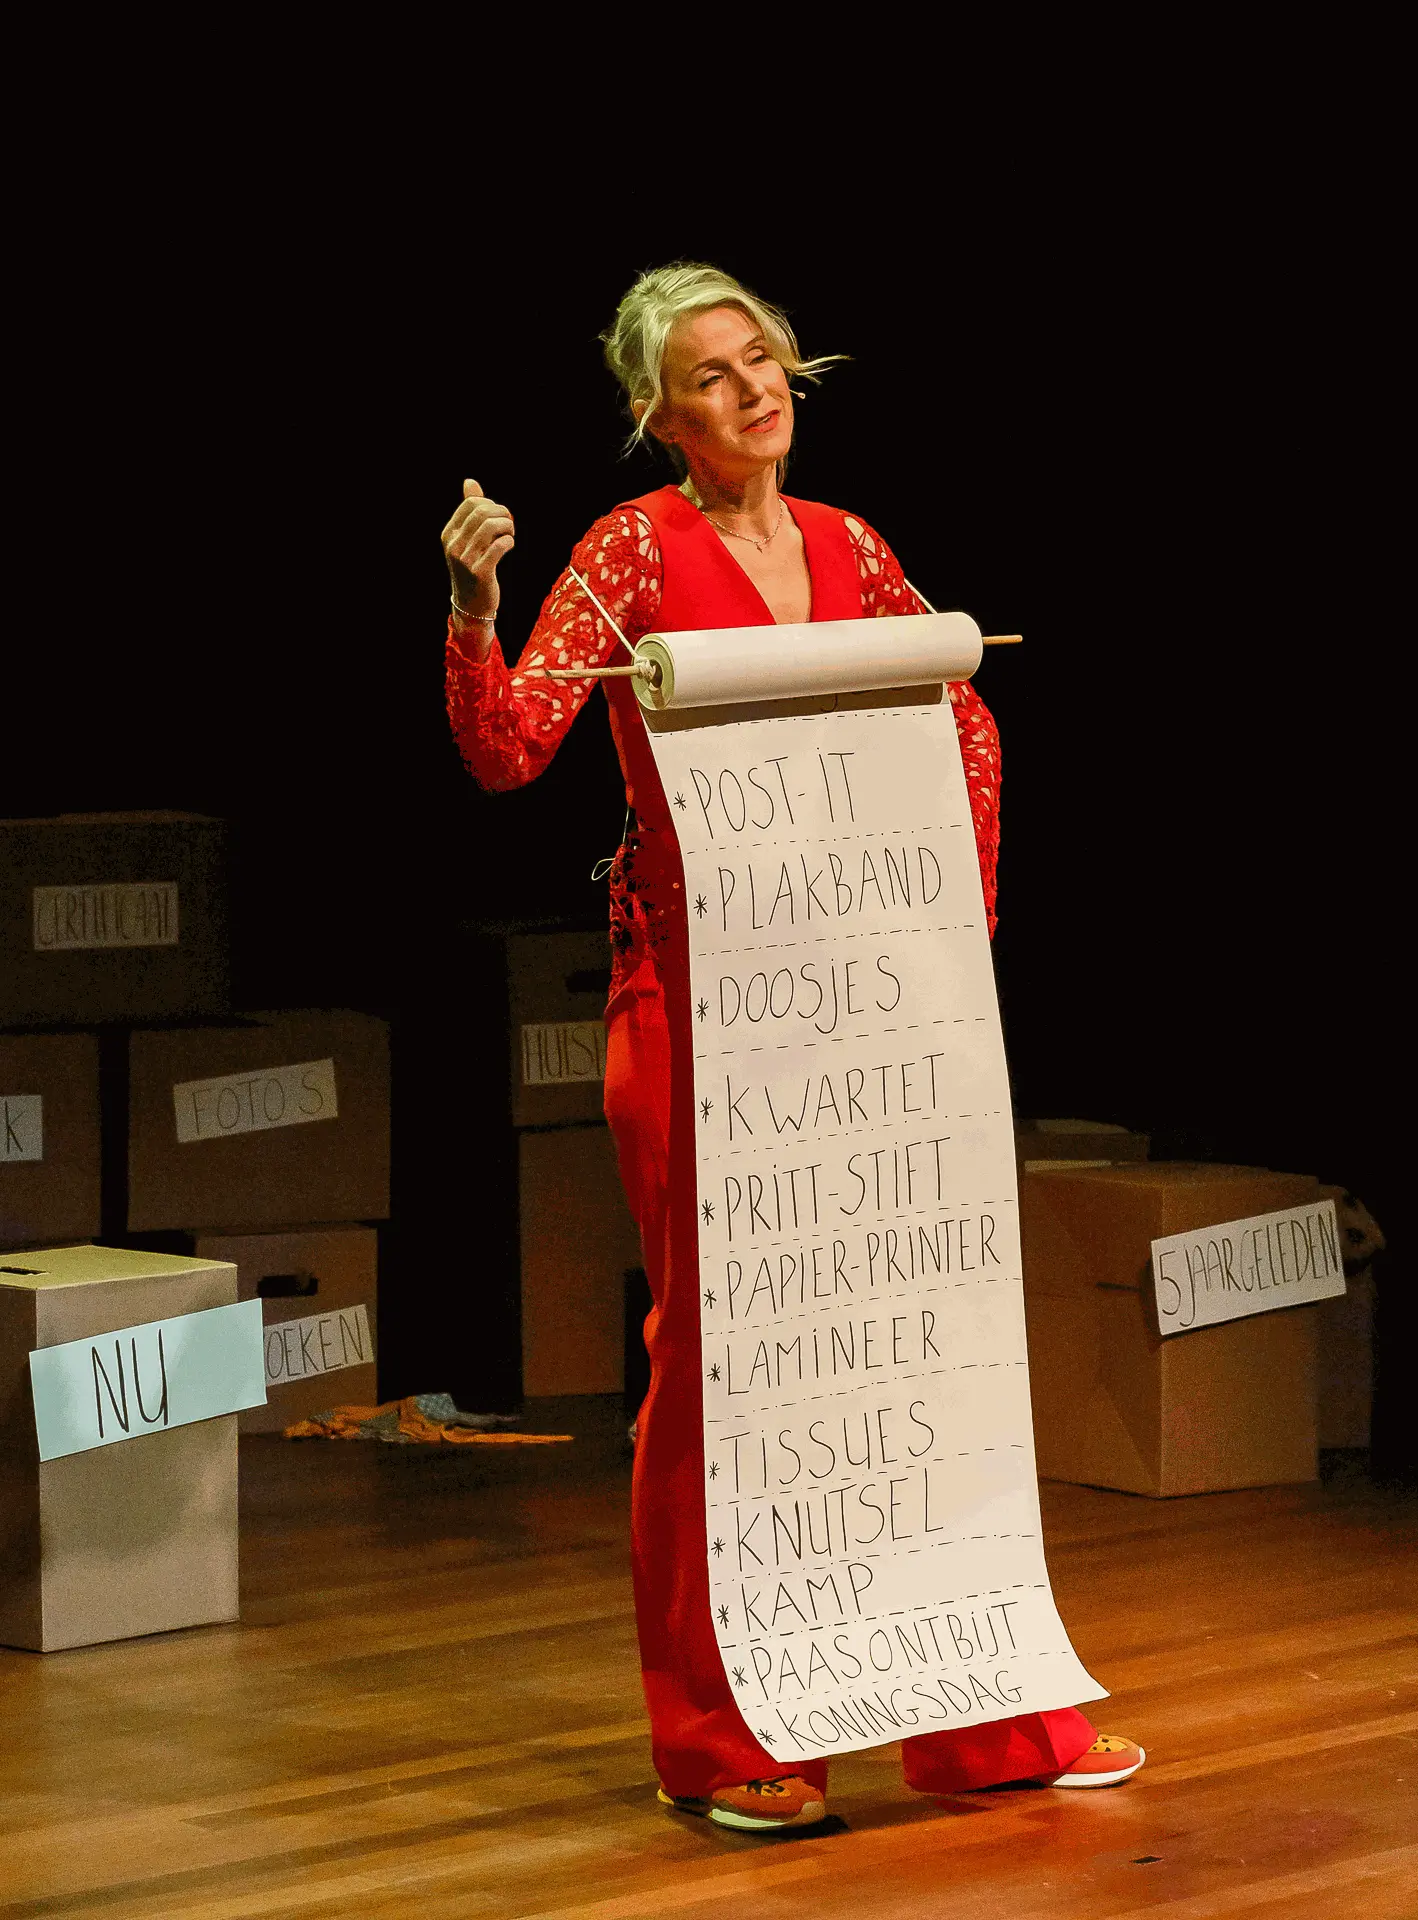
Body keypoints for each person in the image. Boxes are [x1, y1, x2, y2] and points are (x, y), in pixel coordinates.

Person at [443, 264, 1144, 1833]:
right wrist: (476, 612)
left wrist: (954, 922)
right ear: (658, 415)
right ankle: (722, 1737)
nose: (753, 388)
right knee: (721, 1365)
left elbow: (958, 708)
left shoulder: (853, 544)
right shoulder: (632, 550)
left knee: (914, 1343)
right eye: (711, 373)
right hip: (697, 1005)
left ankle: (979, 1722)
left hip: (865, 1005)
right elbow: (507, 748)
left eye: (762, 357)